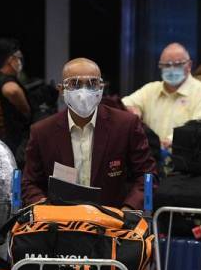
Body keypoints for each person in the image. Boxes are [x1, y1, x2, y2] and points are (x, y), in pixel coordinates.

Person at [22, 57, 157, 209]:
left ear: (102, 87)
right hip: (60, 224)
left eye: (92, 83)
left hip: (113, 223)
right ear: (61, 90)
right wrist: (45, 209)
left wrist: (129, 209)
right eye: (75, 84)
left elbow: (146, 175)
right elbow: (29, 182)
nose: (84, 91)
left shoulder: (125, 125)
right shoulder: (42, 131)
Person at [122, 42, 201, 149]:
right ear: (160, 66)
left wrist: (171, 140)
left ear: (189, 65)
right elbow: (122, 105)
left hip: (184, 160)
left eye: (177, 64)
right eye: (166, 65)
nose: (172, 69)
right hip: (151, 159)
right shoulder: (150, 90)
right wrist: (131, 110)